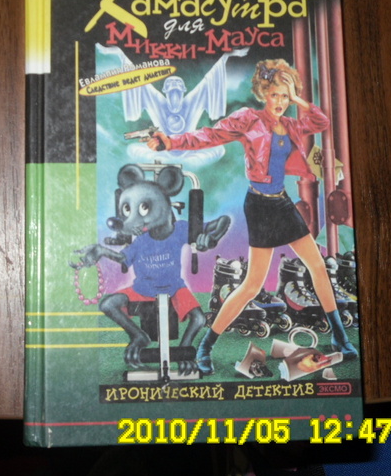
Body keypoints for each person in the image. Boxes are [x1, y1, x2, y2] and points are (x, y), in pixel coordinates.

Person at [147, 59, 357, 375]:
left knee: (317, 267)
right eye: (274, 95)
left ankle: (340, 338)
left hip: (282, 203)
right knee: (251, 285)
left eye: (285, 96)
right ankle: (206, 346)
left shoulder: (292, 125)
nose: (280, 102)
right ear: (263, 94)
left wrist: (297, 97)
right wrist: (170, 142)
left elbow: (321, 121)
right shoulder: (249, 119)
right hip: (259, 206)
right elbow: (210, 135)